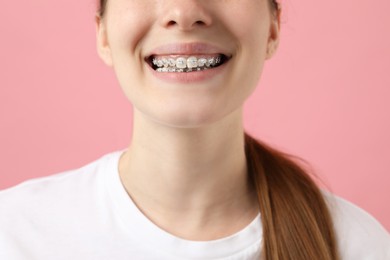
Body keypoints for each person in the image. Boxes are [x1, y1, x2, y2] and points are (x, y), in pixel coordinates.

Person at [0, 0, 389, 259]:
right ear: (103, 34)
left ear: (272, 27)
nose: (184, 12)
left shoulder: (359, 246)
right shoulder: (13, 234)